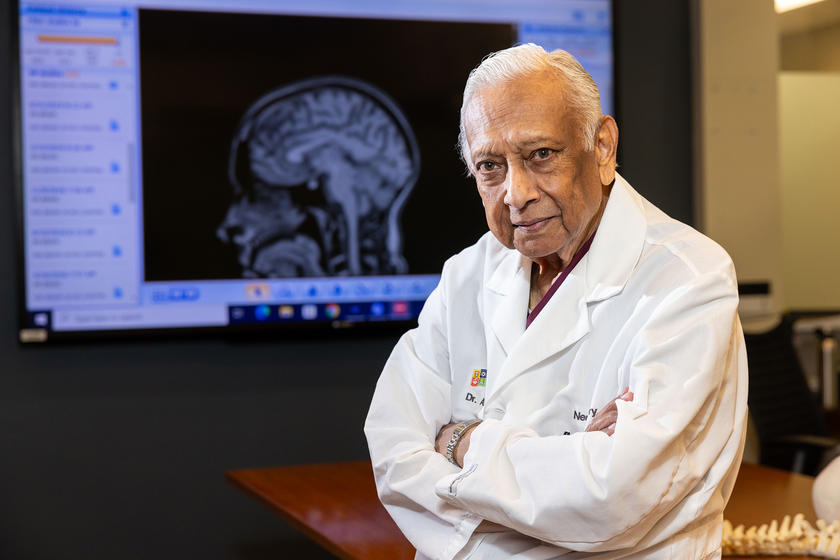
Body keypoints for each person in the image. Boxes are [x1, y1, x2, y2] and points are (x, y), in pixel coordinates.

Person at [364, 43, 748, 560]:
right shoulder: (468, 274)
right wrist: (559, 467)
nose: (516, 193)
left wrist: (460, 442)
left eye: (540, 155)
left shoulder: (688, 280)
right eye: (490, 167)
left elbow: (611, 498)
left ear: (603, 147)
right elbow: (393, 453)